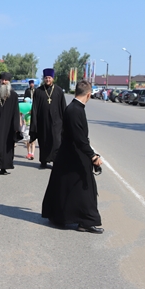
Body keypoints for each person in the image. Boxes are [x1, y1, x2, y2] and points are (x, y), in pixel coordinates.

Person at [41, 80, 104, 234]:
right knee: (85, 187)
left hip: (70, 154)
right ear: (88, 95)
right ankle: (86, 221)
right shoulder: (75, 110)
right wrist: (93, 156)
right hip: (75, 155)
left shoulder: (75, 108)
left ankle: (59, 215)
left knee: (66, 186)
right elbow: (79, 138)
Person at [29, 68, 66, 169]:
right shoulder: (38, 91)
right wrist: (34, 123)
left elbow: (63, 108)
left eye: (49, 78)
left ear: (53, 78)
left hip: (57, 122)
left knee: (56, 141)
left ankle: (55, 161)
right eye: (46, 78)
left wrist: (65, 122)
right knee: (44, 141)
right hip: (43, 122)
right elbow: (35, 108)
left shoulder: (59, 91)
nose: (47, 80)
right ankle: (44, 161)